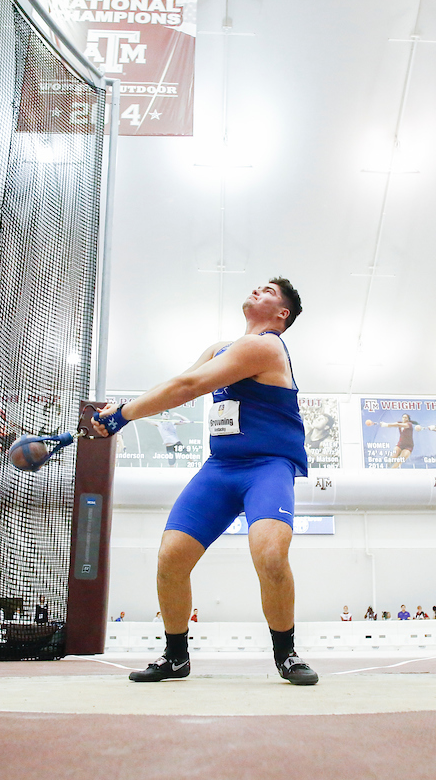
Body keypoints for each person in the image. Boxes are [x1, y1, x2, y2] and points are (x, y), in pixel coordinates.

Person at [90, 280, 317, 685]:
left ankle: (287, 653)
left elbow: (188, 389)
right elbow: (176, 383)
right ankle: (176, 657)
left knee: (270, 555)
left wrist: (122, 416)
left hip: (267, 467)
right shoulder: (219, 349)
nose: (256, 290)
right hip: (221, 467)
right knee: (170, 559)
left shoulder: (265, 345)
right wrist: (119, 406)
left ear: (282, 314)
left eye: (268, 291)